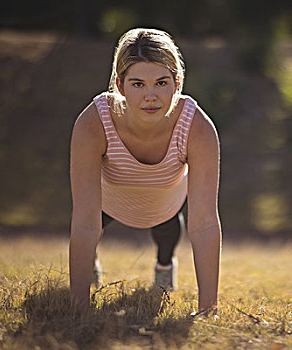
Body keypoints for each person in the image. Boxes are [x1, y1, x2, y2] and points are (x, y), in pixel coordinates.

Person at [69, 28, 221, 316]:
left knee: (168, 231)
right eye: (138, 84)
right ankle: (91, 266)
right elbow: (85, 222)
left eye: (161, 82)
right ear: (120, 84)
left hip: (164, 205)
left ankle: (164, 267)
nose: (150, 96)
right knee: (93, 229)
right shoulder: (93, 122)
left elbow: (204, 224)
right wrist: (78, 308)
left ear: (177, 83)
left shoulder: (196, 127)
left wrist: (208, 309)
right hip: (108, 201)